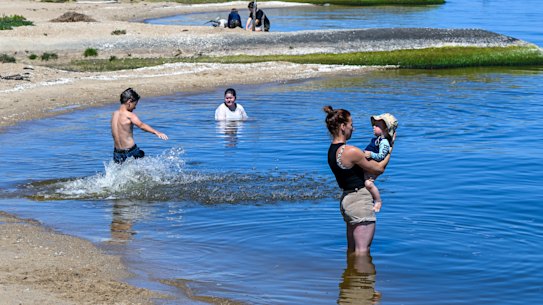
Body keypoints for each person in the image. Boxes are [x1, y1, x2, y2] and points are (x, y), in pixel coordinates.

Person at [324, 106, 394, 255]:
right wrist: (390, 148)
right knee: (363, 253)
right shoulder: (351, 151)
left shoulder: (332, 150)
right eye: (351, 125)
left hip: (347, 200)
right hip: (359, 201)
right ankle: (362, 278)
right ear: (343, 127)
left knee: (352, 250)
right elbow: (378, 169)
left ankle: (349, 277)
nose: (353, 129)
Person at [111, 88, 168, 163]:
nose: (135, 107)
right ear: (129, 102)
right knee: (146, 166)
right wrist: (156, 132)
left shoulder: (114, 114)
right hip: (130, 151)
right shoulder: (130, 115)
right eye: (135, 104)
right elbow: (141, 125)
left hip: (117, 153)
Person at [363, 113, 398, 212]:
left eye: (377, 126)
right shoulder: (378, 140)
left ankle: (378, 200)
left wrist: (371, 155)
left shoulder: (384, 143)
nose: (373, 127)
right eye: (374, 125)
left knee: (368, 183)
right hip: (369, 165)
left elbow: (381, 156)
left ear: (386, 129)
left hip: (373, 167)